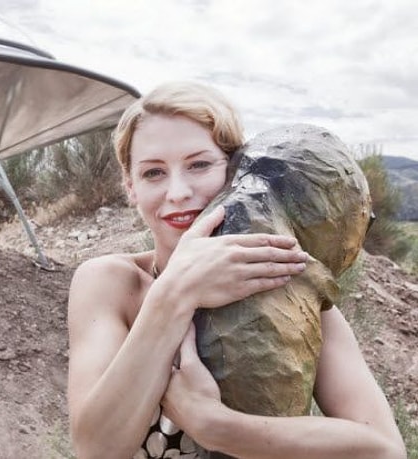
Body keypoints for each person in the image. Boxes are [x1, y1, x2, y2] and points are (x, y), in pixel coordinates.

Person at [66, 81, 407, 459]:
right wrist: (175, 293)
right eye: (153, 173)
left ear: (236, 172)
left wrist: (213, 424)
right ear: (130, 186)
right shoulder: (110, 283)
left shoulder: (282, 281)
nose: (177, 192)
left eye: (198, 165)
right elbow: (95, 449)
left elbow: (384, 450)